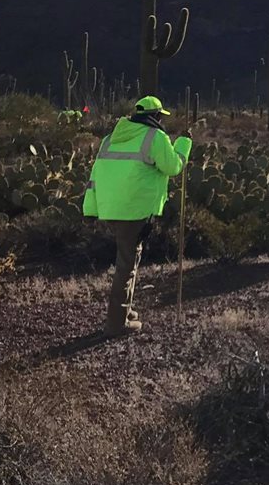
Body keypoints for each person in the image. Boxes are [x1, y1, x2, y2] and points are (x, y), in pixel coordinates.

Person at [82, 96, 193, 337]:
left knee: (130, 257)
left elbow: (95, 174)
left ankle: (125, 310)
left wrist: (90, 208)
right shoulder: (155, 137)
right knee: (126, 266)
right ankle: (116, 324)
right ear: (155, 116)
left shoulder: (110, 139)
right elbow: (173, 167)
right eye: (160, 117)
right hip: (134, 211)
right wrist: (184, 144)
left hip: (110, 208)